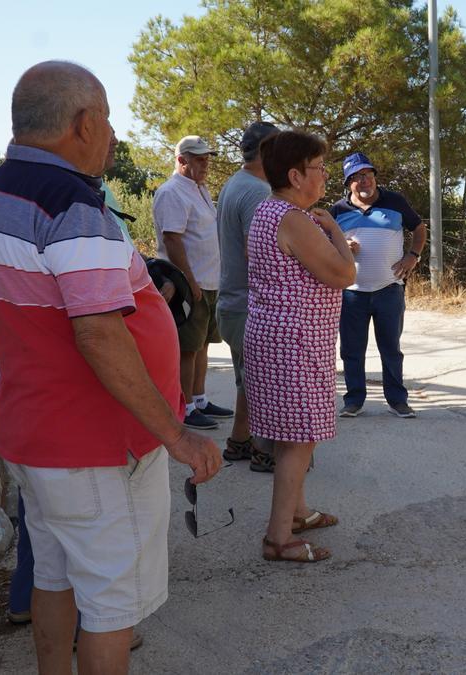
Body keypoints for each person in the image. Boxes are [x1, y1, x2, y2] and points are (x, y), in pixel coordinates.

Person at [0, 60, 221, 673]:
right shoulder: (73, 207)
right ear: (84, 123)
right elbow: (99, 333)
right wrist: (176, 433)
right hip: (99, 449)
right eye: (107, 120)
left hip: (37, 436)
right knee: (111, 607)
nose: (112, 135)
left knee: (54, 579)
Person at [244, 130, 356, 562]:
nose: (326, 174)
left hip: (279, 340)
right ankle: (279, 538)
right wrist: (336, 232)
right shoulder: (293, 219)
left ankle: (298, 512)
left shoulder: (268, 211)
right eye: (319, 167)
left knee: (295, 435)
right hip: (293, 345)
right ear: (295, 174)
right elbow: (344, 274)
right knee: (298, 441)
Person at [330, 152, 426, 419]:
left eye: (368, 175)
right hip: (351, 293)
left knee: (391, 349)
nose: (364, 181)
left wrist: (413, 256)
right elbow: (321, 245)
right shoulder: (337, 211)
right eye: (357, 177)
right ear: (348, 182)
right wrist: (342, 247)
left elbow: (419, 228)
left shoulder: (394, 201)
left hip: (389, 289)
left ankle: (397, 400)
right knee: (351, 349)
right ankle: (354, 401)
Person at [153, 135, 233, 430]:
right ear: (181, 160)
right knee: (187, 348)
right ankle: (184, 407)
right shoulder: (173, 192)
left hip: (209, 281)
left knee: (202, 346)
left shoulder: (198, 189)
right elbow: (172, 240)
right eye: (199, 159)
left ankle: (199, 399)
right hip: (190, 283)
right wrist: (189, 281)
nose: (205, 164)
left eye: (207, 158)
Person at [215, 121, 281, 472]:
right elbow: (255, 253)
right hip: (248, 306)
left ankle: (238, 441)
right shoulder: (256, 192)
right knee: (264, 381)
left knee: (247, 378)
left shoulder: (233, 184)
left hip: (231, 303)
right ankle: (264, 451)